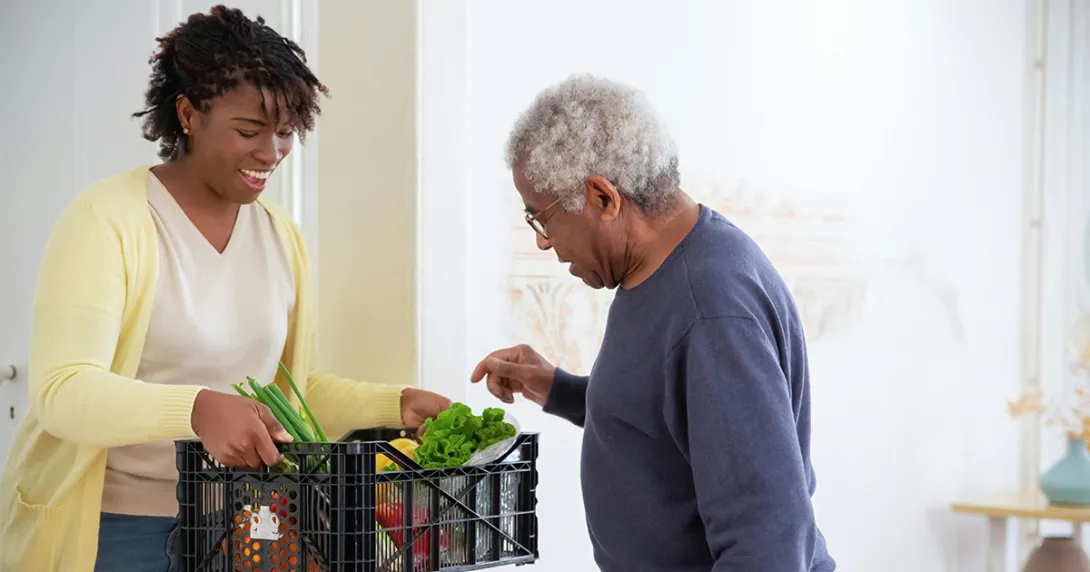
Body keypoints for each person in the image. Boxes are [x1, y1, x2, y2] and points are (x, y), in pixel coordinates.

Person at [0, 6, 451, 571]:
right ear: (188, 114)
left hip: (247, 521)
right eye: (248, 131)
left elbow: (285, 392)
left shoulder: (281, 236)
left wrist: (394, 404)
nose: (271, 153)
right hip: (114, 529)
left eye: (286, 132)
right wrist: (197, 409)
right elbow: (63, 391)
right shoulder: (106, 220)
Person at [471, 74, 836, 572]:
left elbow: (768, 544)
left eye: (540, 217)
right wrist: (555, 388)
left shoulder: (709, 309)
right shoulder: (658, 271)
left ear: (603, 198)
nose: (542, 240)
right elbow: (665, 414)